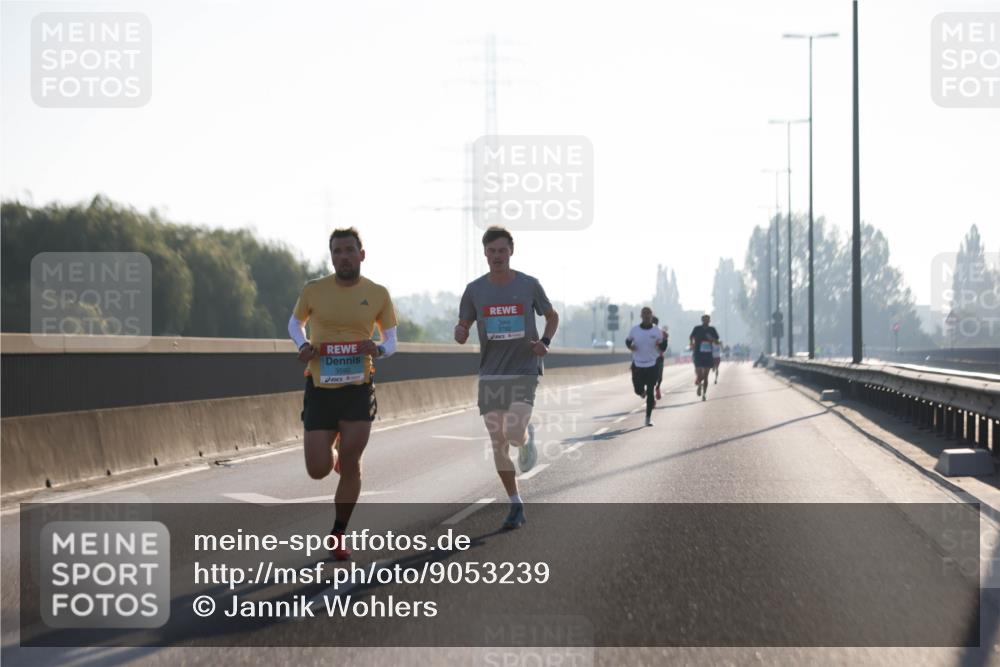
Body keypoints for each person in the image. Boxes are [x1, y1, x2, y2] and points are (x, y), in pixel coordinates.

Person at [288, 227, 397, 560]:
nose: (343, 256)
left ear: (361, 255)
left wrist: (378, 349)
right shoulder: (314, 290)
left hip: (358, 389)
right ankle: (334, 452)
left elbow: (392, 340)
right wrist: (303, 345)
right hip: (321, 389)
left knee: (352, 463)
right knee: (318, 469)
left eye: (349, 250)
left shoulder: (377, 293)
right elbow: (294, 324)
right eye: (337, 251)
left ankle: (338, 533)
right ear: (332, 257)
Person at [455, 226, 558, 531]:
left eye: (502, 250)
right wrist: (460, 331)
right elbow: (463, 326)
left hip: (524, 369)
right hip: (491, 374)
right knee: (498, 442)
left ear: (511, 251)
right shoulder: (475, 290)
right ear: (485, 254)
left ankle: (525, 439)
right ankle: (515, 502)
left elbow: (551, 316)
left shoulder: (529, 285)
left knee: (513, 433)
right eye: (492, 251)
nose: (497, 256)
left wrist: (545, 342)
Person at [627, 308, 668, 426]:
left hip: (652, 364)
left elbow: (663, 347)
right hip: (638, 364)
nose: (646, 316)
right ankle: (641, 392)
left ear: (651, 316)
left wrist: (662, 343)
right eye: (644, 313)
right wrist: (630, 347)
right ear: (641, 315)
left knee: (650, 391)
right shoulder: (634, 330)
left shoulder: (657, 330)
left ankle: (648, 418)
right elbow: (628, 341)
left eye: (648, 314)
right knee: (637, 390)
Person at [689, 314, 720, 401]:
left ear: (709, 321)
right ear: (702, 320)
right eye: (704, 320)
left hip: (708, 354)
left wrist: (712, 339)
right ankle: (699, 384)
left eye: (707, 320)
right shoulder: (697, 328)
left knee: (706, 376)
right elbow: (691, 337)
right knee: (699, 375)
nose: (706, 321)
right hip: (698, 353)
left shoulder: (712, 329)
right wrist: (691, 343)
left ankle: (704, 394)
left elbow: (717, 342)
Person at [650, 316, 669, 400]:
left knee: (659, 377)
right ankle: (651, 397)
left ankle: (657, 388)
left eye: (654, 322)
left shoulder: (661, 332)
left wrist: (662, 341)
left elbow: (664, 347)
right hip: (648, 358)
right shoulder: (643, 332)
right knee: (651, 378)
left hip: (659, 358)